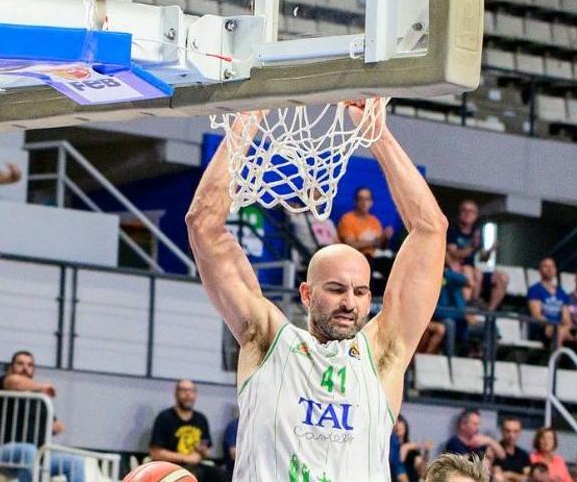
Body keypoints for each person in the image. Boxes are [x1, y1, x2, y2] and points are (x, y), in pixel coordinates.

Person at [186, 100, 448, 480]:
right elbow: (203, 224)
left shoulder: (383, 356)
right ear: (306, 294)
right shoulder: (268, 341)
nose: (350, 303)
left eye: (360, 292)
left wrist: (378, 135)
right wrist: (247, 121)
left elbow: (431, 229)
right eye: (337, 289)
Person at [149, 380, 222, 482]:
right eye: (184, 390)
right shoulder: (164, 418)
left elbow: (206, 451)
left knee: (221, 475)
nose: (188, 394)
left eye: (191, 391)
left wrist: (203, 451)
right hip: (170, 467)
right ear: (176, 393)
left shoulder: (201, 419)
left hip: (195, 466)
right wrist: (186, 458)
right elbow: (155, 453)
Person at [446, 199, 508, 311]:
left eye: (471, 211)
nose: (467, 214)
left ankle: (489, 311)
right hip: (460, 268)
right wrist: (472, 248)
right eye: (464, 210)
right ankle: (471, 305)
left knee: (503, 278)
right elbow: (453, 253)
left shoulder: (477, 232)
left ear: (476, 215)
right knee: (473, 273)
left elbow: (481, 258)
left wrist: (490, 251)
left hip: (477, 268)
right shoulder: (452, 230)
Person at [0, 350, 64, 436]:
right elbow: (14, 381)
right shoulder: (3, 382)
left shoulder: (38, 397)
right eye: (20, 364)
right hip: (9, 444)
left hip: (36, 446)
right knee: (29, 449)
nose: (25, 368)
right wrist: (42, 387)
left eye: (29, 365)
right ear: (11, 367)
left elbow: (57, 425)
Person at [527, 258, 574, 349]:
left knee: (565, 331)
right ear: (540, 270)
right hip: (542, 328)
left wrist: (565, 326)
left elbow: (566, 318)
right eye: (546, 266)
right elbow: (537, 315)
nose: (549, 269)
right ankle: (555, 359)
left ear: (555, 270)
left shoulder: (562, 293)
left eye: (552, 266)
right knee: (558, 331)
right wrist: (557, 326)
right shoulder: (535, 290)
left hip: (560, 328)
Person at [395, 415, 432, 482]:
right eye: (396, 422)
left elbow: (422, 473)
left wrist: (426, 453)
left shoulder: (413, 450)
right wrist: (407, 447)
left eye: (400, 422)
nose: (398, 425)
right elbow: (398, 462)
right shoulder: (390, 447)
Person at [493, 417, 531, 482]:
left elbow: (528, 478)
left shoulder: (523, 455)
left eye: (515, 431)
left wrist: (510, 474)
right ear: (501, 431)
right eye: (508, 431)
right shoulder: (493, 451)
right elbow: (498, 477)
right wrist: (518, 477)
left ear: (520, 432)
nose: (511, 435)